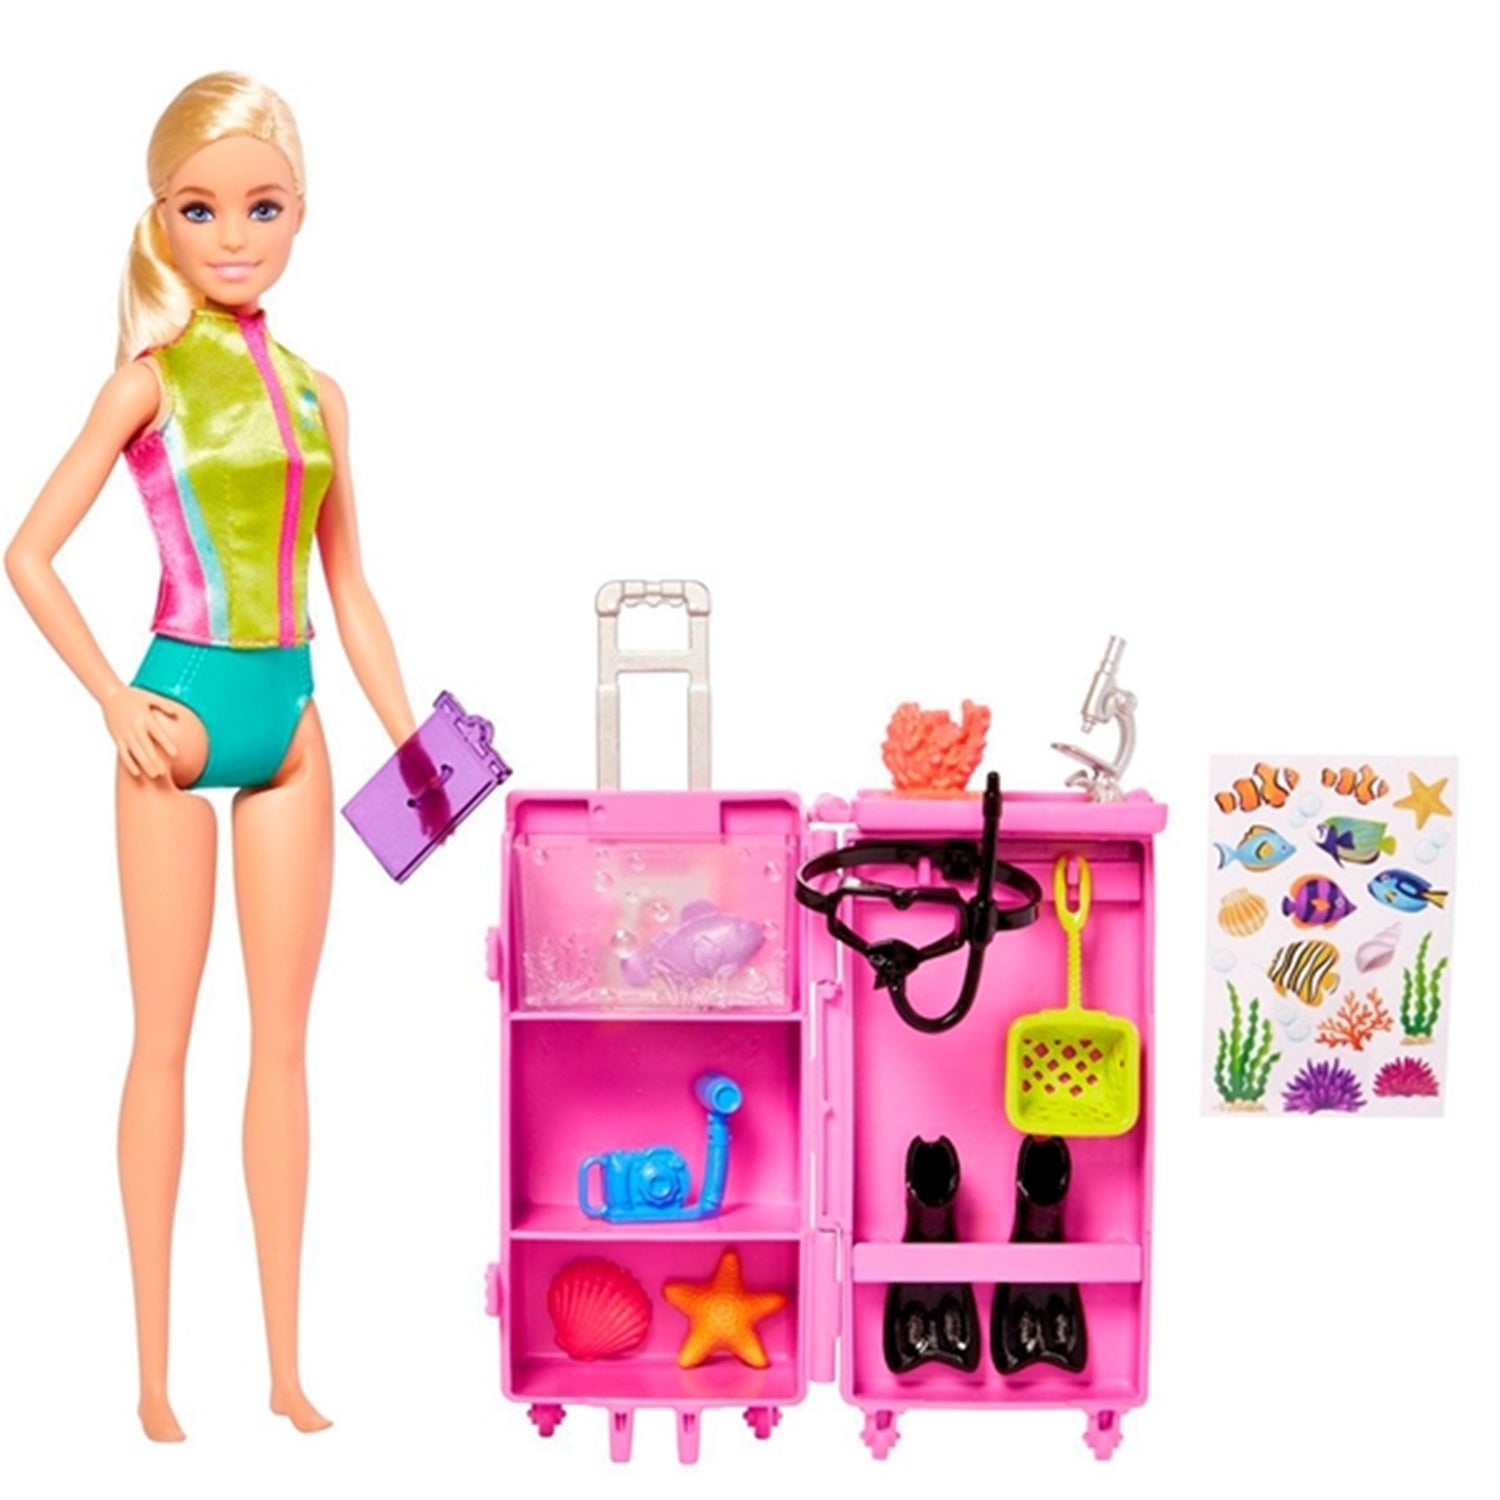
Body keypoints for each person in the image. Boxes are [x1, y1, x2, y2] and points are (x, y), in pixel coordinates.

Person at [5, 72, 420, 1441]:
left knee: (285, 1049)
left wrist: (412, 742)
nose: (233, 235)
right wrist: (106, 701)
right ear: (161, 217)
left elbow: (349, 587)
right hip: (174, 715)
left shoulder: (320, 397)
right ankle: (152, 1376)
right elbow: (27, 553)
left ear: (300, 215)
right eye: (201, 209)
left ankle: (287, 1371)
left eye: (262, 207)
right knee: (165, 1043)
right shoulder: (148, 384)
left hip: (295, 721)